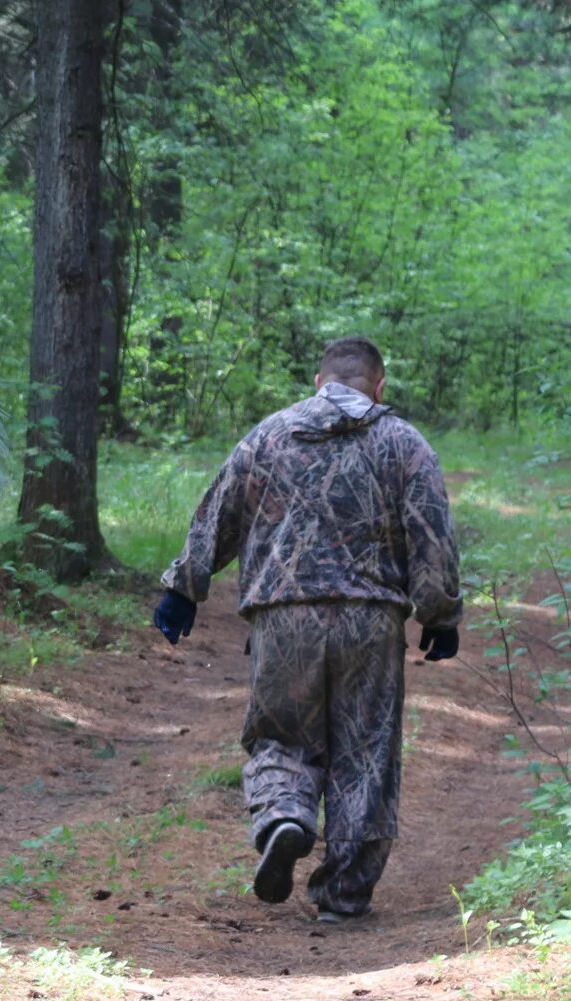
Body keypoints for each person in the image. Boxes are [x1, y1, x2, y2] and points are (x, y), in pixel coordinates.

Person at [152, 337, 462, 923]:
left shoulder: (269, 434)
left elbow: (218, 512)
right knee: (365, 752)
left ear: (319, 381)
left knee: (281, 736)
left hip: (282, 616)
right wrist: (439, 614)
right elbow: (432, 534)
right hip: (371, 621)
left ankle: (285, 815)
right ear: (380, 384)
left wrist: (183, 588)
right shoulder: (404, 443)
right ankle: (343, 897)